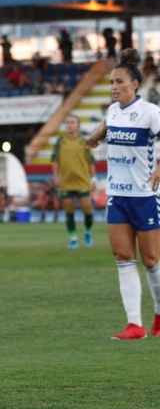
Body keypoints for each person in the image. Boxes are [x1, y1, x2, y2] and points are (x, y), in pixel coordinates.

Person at [86, 49, 160, 340]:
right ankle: (135, 325)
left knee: (152, 260)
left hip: (145, 194)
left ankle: (158, 315)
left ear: (134, 85)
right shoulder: (112, 110)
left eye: (118, 82)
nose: (114, 87)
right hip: (117, 193)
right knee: (122, 256)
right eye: (111, 83)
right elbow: (109, 124)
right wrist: (95, 136)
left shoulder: (151, 113)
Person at [52, 114, 96, 249]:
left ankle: (87, 232)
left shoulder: (84, 142)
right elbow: (55, 160)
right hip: (66, 181)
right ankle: (73, 238)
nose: (70, 125)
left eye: (73, 122)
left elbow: (90, 162)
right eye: (68, 122)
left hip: (82, 181)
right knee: (69, 210)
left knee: (87, 209)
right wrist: (56, 176)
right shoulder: (60, 141)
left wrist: (93, 178)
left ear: (77, 125)